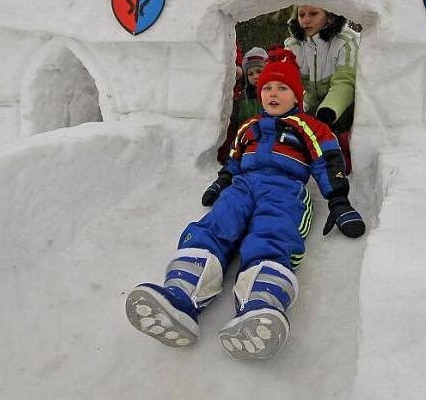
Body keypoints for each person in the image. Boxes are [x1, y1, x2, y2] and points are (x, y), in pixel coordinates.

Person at [125, 49, 366, 360]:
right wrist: (222, 181)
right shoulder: (249, 126)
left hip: (284, 189)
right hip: (242, 186)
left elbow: (327, 159)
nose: (273, 93)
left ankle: (261, 304)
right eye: (267, 87)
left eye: (282, 88)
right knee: (215, 225)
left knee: (272, 231)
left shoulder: (307, 126)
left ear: (297, 96)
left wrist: (338, 200)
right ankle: (181, 294)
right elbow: (235, 160)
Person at [285, 6, 359, 172]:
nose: (305, 19)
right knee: (295, 130)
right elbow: (287, 81)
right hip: (313, 105)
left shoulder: (345, 41)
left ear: (330, 16)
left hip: (343, 107)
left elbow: (344, 82)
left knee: (336, 134)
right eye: (301, 14)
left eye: (313, 14)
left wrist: (328, 111)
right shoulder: (295, 45)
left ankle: (339, 159)